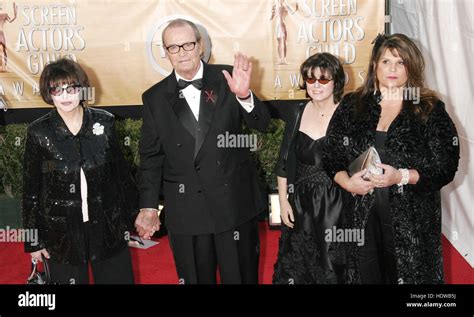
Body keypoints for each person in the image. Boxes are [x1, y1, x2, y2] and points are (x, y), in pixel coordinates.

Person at [135, 19, 270, 284]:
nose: (182, 52)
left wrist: (244, 96)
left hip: (233, 204)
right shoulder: (154, 97)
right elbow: (151, 157)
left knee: (241, 278)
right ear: (165, 52)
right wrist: (149, 206)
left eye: (188, 44)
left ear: (200, 46)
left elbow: (262, 124)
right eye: (173, 47)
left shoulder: (227, 78)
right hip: (187, 211)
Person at [323, 33, 460, 284]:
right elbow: (331, 153)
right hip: (360, 214)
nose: (393, 69)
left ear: (411, 66)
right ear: (375, 65)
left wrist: (401, 176)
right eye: (386, 62)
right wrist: (347, 182)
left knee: (410, 277)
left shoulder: (427, 108)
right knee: (365, 274)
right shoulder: (353, 105)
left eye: (400, 62)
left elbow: (446, 165)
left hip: (412, 219)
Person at [23, 58, 138, 284]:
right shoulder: (38, 132)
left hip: (107, 227)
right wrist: (33, 242)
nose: (65, 96)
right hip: (61, 233)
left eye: (71, 88)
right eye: (57, 89)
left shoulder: (104, 123)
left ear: (82, 89)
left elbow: (122, 176)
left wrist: (135, 218)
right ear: (49, 93)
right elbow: (30, 192)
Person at [273, 53, 347, 284]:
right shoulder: (298, 111)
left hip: (337, 203)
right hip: (301, 202)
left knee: (332, 265)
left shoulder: (347, 114)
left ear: (336, 81)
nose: (316, 85)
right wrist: (284, 201)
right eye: (310, 79)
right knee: (298, 266)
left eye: (323, 80)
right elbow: (283, 160)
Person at [270, 0, 298, 65]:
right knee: (279, 43)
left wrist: (296, 7)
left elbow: (293, 12)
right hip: (279, 25)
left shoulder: (286, 6)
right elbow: (271, 17)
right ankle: (281, 60)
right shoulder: (275, 6)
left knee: (284, 43)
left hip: (282, 24)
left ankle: (283, 59)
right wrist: (273, 13)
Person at [0, 2, 17, 72]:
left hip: (1, 33)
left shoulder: (4, 15)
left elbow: (11, 20)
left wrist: (15, 11)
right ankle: (2, 67)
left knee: (3, 50)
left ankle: (4, 67)